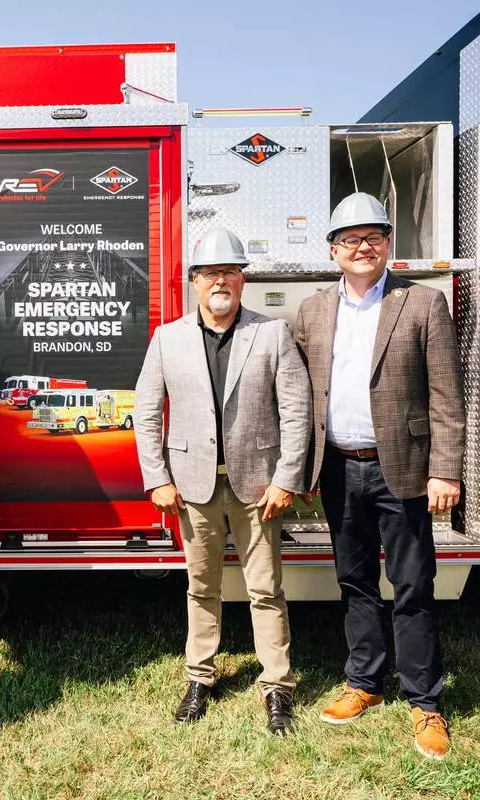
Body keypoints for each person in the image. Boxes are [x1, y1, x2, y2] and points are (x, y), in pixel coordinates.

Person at [292, 192, 465, 761]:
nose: (362, 247)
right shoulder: (313, 310)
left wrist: (444, 470)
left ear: (389, 243)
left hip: (404, 470)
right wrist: (303, 465)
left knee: (413, 586)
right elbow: (301, 395)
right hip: (339, 467)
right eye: (350, 239)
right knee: (355, 582)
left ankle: (425, 701)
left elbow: (447, 394)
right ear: (333, 250)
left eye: (373, 237)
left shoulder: (423, 303)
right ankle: (364, 682)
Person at [134, 227, 311, 736]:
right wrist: (157, 478)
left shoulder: (271, 333)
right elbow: (146, 412)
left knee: (266, 589)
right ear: (194, 281)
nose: (220, 281)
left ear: (243, 280)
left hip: (259, 489)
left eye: (230, 272)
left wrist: (286, 479)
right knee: (201, 588)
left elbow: (297, 410)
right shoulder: (167, 339)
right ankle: (199, 679)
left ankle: (277, 687)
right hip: (193, 489)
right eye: (211, 273)